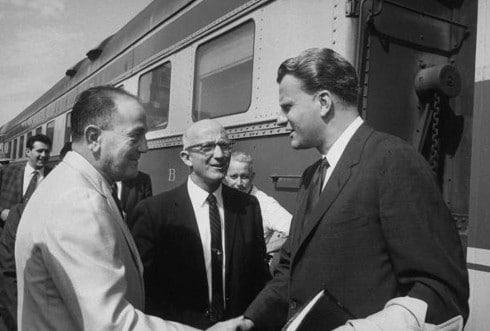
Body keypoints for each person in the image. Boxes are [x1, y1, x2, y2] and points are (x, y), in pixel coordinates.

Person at [210, 48, 469, 331]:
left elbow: (442, 291)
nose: (280, 120)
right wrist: (249, 320)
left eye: (287, 107)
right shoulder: (313, 176)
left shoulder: (393, 161)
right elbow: (289, 269)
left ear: (323, 102)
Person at [15, 86, 197, 331]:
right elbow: (111, 324)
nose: (145, 147)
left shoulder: (70, 185)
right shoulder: (78, 200)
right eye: (135, 136)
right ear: (94, 138)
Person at [130, 119, 271, 329]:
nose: (220, 155)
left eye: (225, 145)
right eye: (207, 147)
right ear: (186, 157)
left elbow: (259, 277)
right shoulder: (154, 213)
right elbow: (144, 292)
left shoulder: (248, 207)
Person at [224, 151, 291, 256]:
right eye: (233, 176)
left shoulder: (265, 204)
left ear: (252, 176)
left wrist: (264, 249)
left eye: (244, 177)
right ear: (225, 176)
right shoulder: (221, 199)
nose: (239, 183)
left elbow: (295, 232)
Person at [0, 134, 52, 230]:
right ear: (28, 152)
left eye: (47, 151)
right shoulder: (6, 172)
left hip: (35, 236)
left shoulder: (54, 176)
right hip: (5, 235)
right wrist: (1, 211)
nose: (44, 155)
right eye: (40, 151)